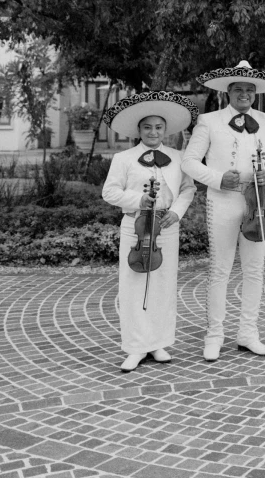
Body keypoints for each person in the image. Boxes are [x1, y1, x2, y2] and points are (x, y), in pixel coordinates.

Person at [182, 61, 265, 362]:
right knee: (220, 270)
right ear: (228, 91)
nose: (244, 94)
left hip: (258, 202)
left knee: (255, 269)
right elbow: (189, 161)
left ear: (256, 93)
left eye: (249, 89)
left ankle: (248, 333)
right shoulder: (209, 120)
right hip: (224, 200)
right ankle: (214, 334)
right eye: (238, 88)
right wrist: (216, 178)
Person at [101, 91, 199, 372]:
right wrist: (138, 200)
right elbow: (109, 191)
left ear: (165, 130)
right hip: (136, 225)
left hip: (166, 228)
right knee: (132, 285)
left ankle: (157, 342)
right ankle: (134, 346)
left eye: (158, 127)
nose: (153, 132)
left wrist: (177, 213)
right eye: (147, 127)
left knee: (163, 286)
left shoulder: (178, 157)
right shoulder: (124, 157)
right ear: (139, 130)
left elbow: (188, 188)